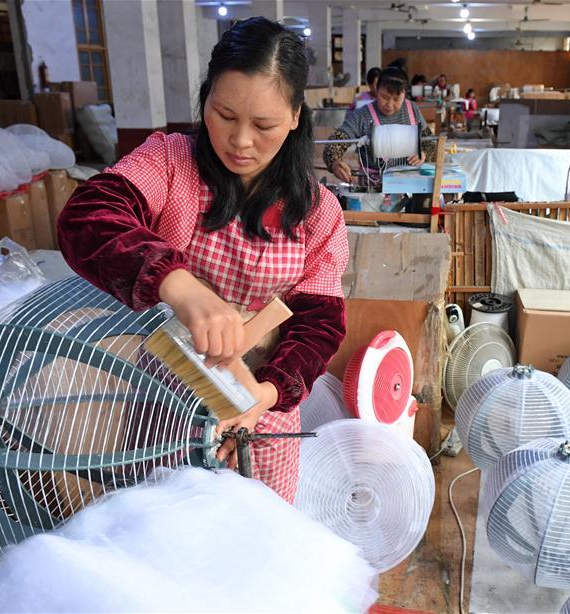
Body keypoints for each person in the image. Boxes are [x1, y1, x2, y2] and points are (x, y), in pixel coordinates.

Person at [57, 17, 348, 504]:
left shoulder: (318, 213)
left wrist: (264, 395)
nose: (239, 141)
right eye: (224, 114)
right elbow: (87, 216)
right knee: (166, 530)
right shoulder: (170, 163)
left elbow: (320, 324)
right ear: (205, 97)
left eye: (263, 125)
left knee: (250, 540)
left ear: (296, 116)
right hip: (167, 397)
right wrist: (178, 285)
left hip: (260, 405)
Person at [323, 66, 436, 185]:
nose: (390, 105)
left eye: (397, 99)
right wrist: (335, 163)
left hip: (412, 185)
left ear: (405, 94)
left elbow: (429, 142)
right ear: (376, 89)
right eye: (385, 97)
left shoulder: (412, 109)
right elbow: (334, 145)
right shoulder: (362, 116)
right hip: (373, 189)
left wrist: (423, 154)